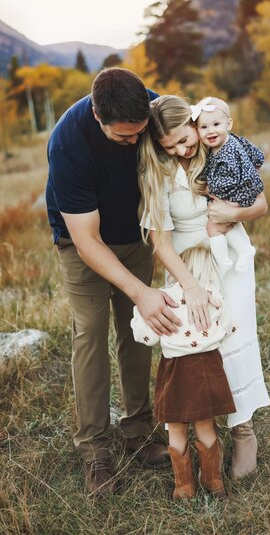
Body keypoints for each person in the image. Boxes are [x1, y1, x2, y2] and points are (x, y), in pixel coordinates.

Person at [46, 68, 179, 496]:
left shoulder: (151, 110)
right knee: (90, 332)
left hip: (135, 235)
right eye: (124, 137)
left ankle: (139, 430)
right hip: (84, 244)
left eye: (139, 133)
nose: (134, 141)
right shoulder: (68, 143)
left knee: (138, 330)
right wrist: (140, 291)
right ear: (98, 116)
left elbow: (195, 140)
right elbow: (86, 240)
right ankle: (94, 450)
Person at [138, 95, 270, 480]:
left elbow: (260, 203)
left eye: (185, 138)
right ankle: (196, 433)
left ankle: (244, 430)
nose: (182, 149)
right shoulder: (156, 172)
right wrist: (191, 287)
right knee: (192, 347)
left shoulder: (217, 148)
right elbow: (160, 242)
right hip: (186, 270)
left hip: (228, 261)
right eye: (171, 146)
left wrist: (233, 213)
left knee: (234, 340)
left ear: (196, 122)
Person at [131, 244, 235, 499]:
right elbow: (229, 327)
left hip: (176, 374)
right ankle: (214, 482)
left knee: (176, 429)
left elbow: (144, 336)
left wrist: (138, 315)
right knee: (206, 426)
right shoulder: (213, 297)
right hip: (207, 372)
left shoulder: (166, 298)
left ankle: (184, 488)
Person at [191, 96, 265, 273]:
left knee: (214, 226)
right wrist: (255, 165)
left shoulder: (227, 152)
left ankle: (223, 261)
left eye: (216, 124)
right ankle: (244, 250)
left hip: (239, 192)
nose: (210, 131)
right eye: (204, 127)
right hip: (244, 190)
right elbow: (256, 154)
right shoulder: (232, 140)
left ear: (229, 124)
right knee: (227, 224)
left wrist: (210, 188)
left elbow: (229, 179)